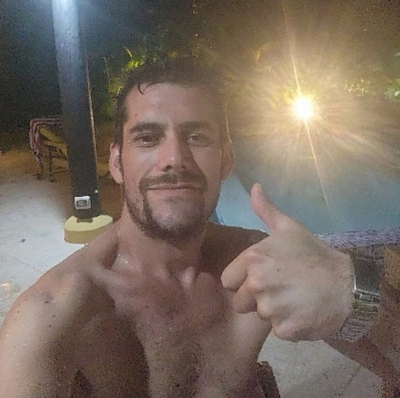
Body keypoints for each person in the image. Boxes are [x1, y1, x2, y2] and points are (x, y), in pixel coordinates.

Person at [0, 58, 397, 397]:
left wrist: (351, 290)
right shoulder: (52, 315)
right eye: (148, 138)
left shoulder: (259, 266)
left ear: (226, 160)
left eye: (197, 136)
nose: (174, 157)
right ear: (117, 163)